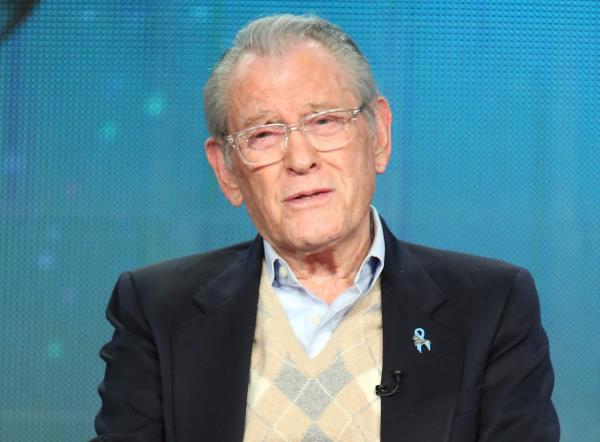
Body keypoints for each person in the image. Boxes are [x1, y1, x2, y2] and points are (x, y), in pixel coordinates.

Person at [93, 14, 559, 442]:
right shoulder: (157, 311)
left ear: (379, 136)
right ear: (227, 171)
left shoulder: (491, 306)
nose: (300, 159)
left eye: (325, 121)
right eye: (263, 134)